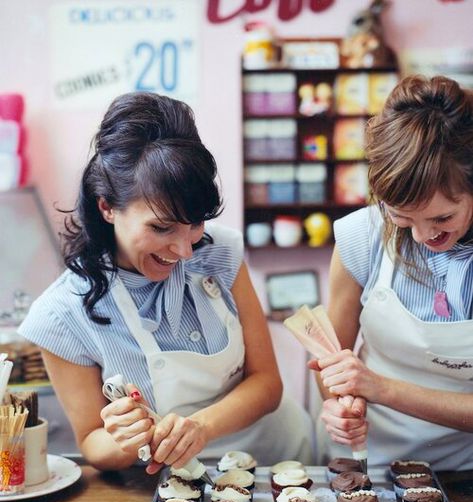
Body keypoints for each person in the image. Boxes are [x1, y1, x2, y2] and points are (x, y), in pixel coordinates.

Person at [19, 92, 314, 472]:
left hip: (280, 461)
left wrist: (201, 427)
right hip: (170, 488)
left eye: (195, 223)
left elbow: (267, 383)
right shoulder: (61, 314)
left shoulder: (218, 251)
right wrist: (127, 438)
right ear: (106, 206)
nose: (185, 251)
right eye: (161, 227)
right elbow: (92, 441)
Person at [310, 75, 473, 471]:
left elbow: (369, 381)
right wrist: (339, 404)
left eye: (442, 217)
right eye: (400, 216)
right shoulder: (359, 237)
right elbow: (333, 360)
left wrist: (380, 388)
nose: (422, 235)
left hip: (465, 470)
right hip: (369, 461)